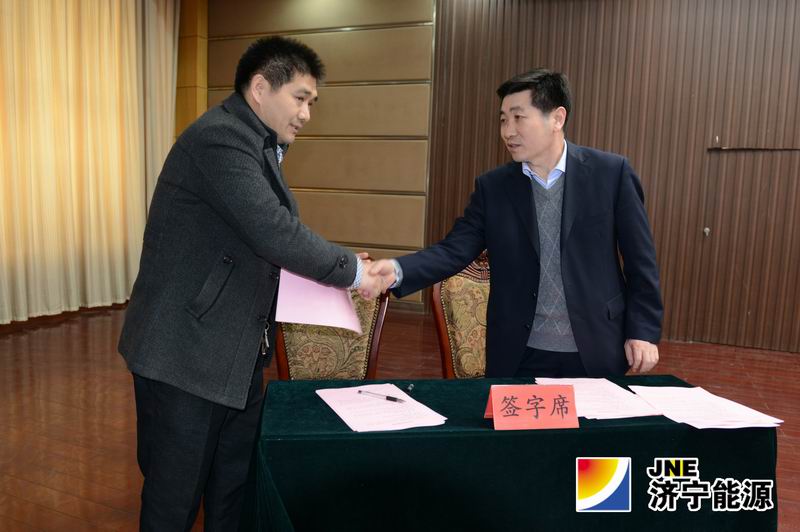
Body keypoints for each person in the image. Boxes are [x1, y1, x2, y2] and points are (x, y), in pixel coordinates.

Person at [118, 36, 383, 531]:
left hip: (234, 352)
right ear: (260, 88)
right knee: (174, 501)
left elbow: (266, 241)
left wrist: (341, 266)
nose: (306, 114)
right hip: (185, 356)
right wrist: (351, 270)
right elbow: (272, 231)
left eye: (312, 102)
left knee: (231, 492)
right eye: (300, 98)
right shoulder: (219, 139)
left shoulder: (258, 143)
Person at [371, 68, 663, 379]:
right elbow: (454, 250)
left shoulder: (610, 174)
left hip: (596, 347)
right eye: (503, 120)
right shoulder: (493, 187)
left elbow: (640, 261)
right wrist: (398, 270)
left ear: (557, 118)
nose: (508, 131)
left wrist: (642, 330)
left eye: (518, 118)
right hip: (519, 353)